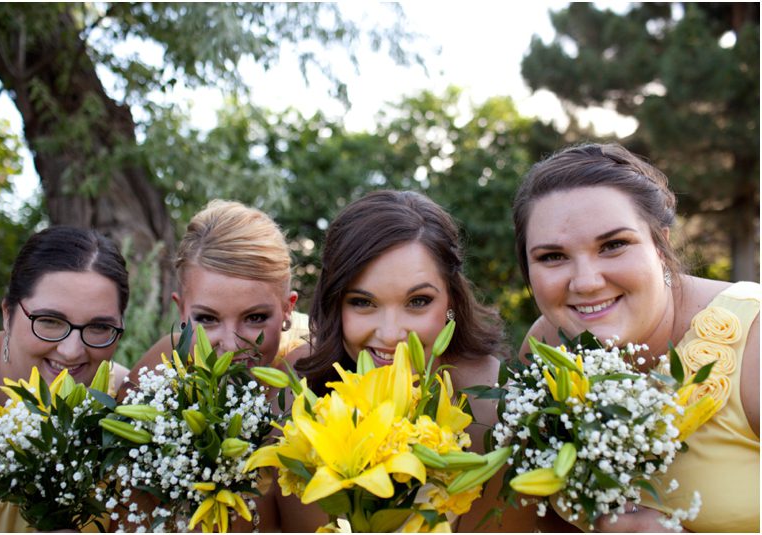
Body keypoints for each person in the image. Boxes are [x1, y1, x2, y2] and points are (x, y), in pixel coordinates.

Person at [512, 142, 759, 532]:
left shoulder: (754, 341)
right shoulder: (546, 348)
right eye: (552, 257)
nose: (587, 282)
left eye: (613, 245)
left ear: (660, 246)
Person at [293, 189, 536, 531]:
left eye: (418, 301)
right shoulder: (299, 385)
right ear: (335, 305)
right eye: (363, 302)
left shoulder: (494, 407)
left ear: (451, 299)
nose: (391, 334)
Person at [124, 199, 316, 532]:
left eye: (255, 318)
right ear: (182, 312)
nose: (230, 343)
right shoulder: (151, 381)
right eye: (207, 319)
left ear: (288, 309)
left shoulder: (310, 371)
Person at [0, 225, 131, 532]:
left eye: (98, 328)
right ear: (7, 313)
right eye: (50, 321)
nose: (71, 351)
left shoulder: (124, 402)